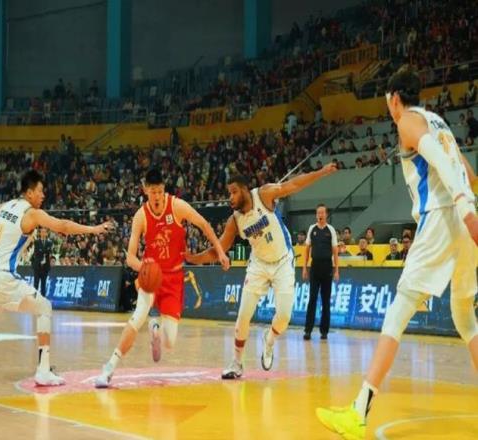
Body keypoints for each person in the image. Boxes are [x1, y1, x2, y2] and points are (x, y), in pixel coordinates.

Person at [316, 65, 478, 439]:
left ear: (393, 98)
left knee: (399, 308)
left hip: (443, 216)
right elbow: (468, 173)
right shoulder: (439, 123)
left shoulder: (407, 120)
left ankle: (358, 411)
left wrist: (463, 208)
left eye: (387, 101)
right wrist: (469, 206)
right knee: (466, 318)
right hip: (464, 214)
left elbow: (438, 160)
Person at [186, 164, 337, 379]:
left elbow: (294, 184)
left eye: (234, 192)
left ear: (244, 190)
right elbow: (218, 250)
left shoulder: (264, 195)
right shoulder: (235, 220)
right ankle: (237, 363)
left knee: (284, 317)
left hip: (283, 261)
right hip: (258, 265)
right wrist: (193, 258)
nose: (230, 197)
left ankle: (270, 339)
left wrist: (321, 172)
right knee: (243, 316)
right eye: (229, 193)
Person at [95, 169, 229, 388]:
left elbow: (204, 224)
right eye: (152, 192)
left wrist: (220, 252)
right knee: (137, 317)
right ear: (145, 190)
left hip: (174, 277)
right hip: (151, 277)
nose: (156, 196)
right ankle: (109, 368)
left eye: (159, 191)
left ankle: (155, 325)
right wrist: (146, 267)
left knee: (170, 342)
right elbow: (130, 257)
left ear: (163, 189)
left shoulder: (177, 206)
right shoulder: (141, 216)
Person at [0, 170, 112, 386]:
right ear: (29, 192)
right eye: (40, 191)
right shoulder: (31, 214)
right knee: (44, 308)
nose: (43, 195)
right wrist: (94, 229)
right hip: (2, 278)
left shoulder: (4, 206)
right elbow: (63, 226)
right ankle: (43, 371)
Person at [302, 204, 339, 341]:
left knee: (325, 300)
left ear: (326, 214)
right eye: (318, 213)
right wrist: (305, 267)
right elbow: (307, 249)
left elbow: (335, 251)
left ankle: (324, 331)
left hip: (327, 267)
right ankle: (308, 330)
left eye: (322, 213)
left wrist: (336, 270)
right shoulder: (312, 229)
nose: (320, 215)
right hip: (315, 267)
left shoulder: (331, 230)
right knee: (312, 298)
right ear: (316, 215)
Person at [31, 228, 52, 296]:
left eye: (44, 232)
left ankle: (43, 298)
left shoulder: (49, 242)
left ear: (47, 233)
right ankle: (34, 298)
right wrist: (45, 251)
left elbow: (49, 251)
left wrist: (42, 251)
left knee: (43, 284)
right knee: (36, 283)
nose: (43, 233)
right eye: (42, 232)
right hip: (37, 265)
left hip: (45, 266)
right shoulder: (36, 242)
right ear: (40, 233)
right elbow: (37, 252)